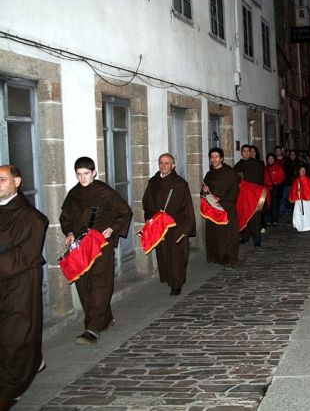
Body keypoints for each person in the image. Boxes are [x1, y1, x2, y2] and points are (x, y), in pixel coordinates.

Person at [60, 157, 133, 345]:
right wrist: (68, 232)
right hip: (80, 246)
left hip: (100, 244)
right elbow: (65, 217)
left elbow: (125, 212)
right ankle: (105, 319)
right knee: (83, 284)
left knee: (100, 283)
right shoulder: (73, 194)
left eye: (86, 174)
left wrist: (112, 228)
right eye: (79, 174)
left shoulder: (105, 192)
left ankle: (92, 328)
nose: (82, 178)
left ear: (93, 172)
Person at [0, 165, 48, 407]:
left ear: (17, 182)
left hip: (20, 285)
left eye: (2, 179)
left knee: (14, 336)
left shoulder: (32, 218)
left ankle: (11, 389)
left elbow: (24, 254)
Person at [142, 154, 196, 296]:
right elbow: (146, 202)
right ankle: (169, 278)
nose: (163, 165)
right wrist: (149, 219)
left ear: (173, 165)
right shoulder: (153, 182)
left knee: (177, 255)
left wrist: (186, 228)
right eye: (161, 163)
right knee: (164, 254)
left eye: (167, 163)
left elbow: (187, 206)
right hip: (159, 226)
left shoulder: (180, 184)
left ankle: (177, 283)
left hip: (176, 225)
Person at [202, 148, 239, 267]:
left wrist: (222, 201)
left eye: (216, 157)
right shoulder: (209, 174)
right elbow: (204, 191)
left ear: (222, 158)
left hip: (227, 208)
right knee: (215, 234)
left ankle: (228, 258)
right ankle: (217, 256)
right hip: (213, 209)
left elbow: (234, 191)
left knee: (227, 235)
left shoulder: (230, 173)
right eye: (212, 157)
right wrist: (205, 191)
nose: (214, 159)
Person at [234, 145, 264, 246]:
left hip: (254, 194)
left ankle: (257, 237)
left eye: (248, 151)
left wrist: (260, 193)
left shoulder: (256, 163)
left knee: (255, 215)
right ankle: (244, 235)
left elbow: (260, 179)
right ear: (241, 153)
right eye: (244, 151)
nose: (246, 153)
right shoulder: (239, 164)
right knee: (243, 213)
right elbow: (233, 176)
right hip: (243, 194)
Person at [289, 166, 310, 232]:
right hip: (299, 200)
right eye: (301, 170)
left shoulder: (309, 180)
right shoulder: (296, 180)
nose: (303, 172)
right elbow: (293, 190)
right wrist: (295, 197)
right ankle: (299, 226)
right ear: (299, 171)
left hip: (309, 200)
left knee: (309, 212)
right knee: (298, 213)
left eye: (304, 170)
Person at [263, 153, 285, 226]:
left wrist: (276, 182)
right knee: (268, 205)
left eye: (272, 159)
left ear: (274, 160)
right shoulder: (265, 168)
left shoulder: (278, 167)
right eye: (269, 159)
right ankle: (269, 220)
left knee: (275, 205)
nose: (270, 160)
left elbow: (282, 176)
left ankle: (275, 220)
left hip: (274, 189)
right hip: (267, 190)